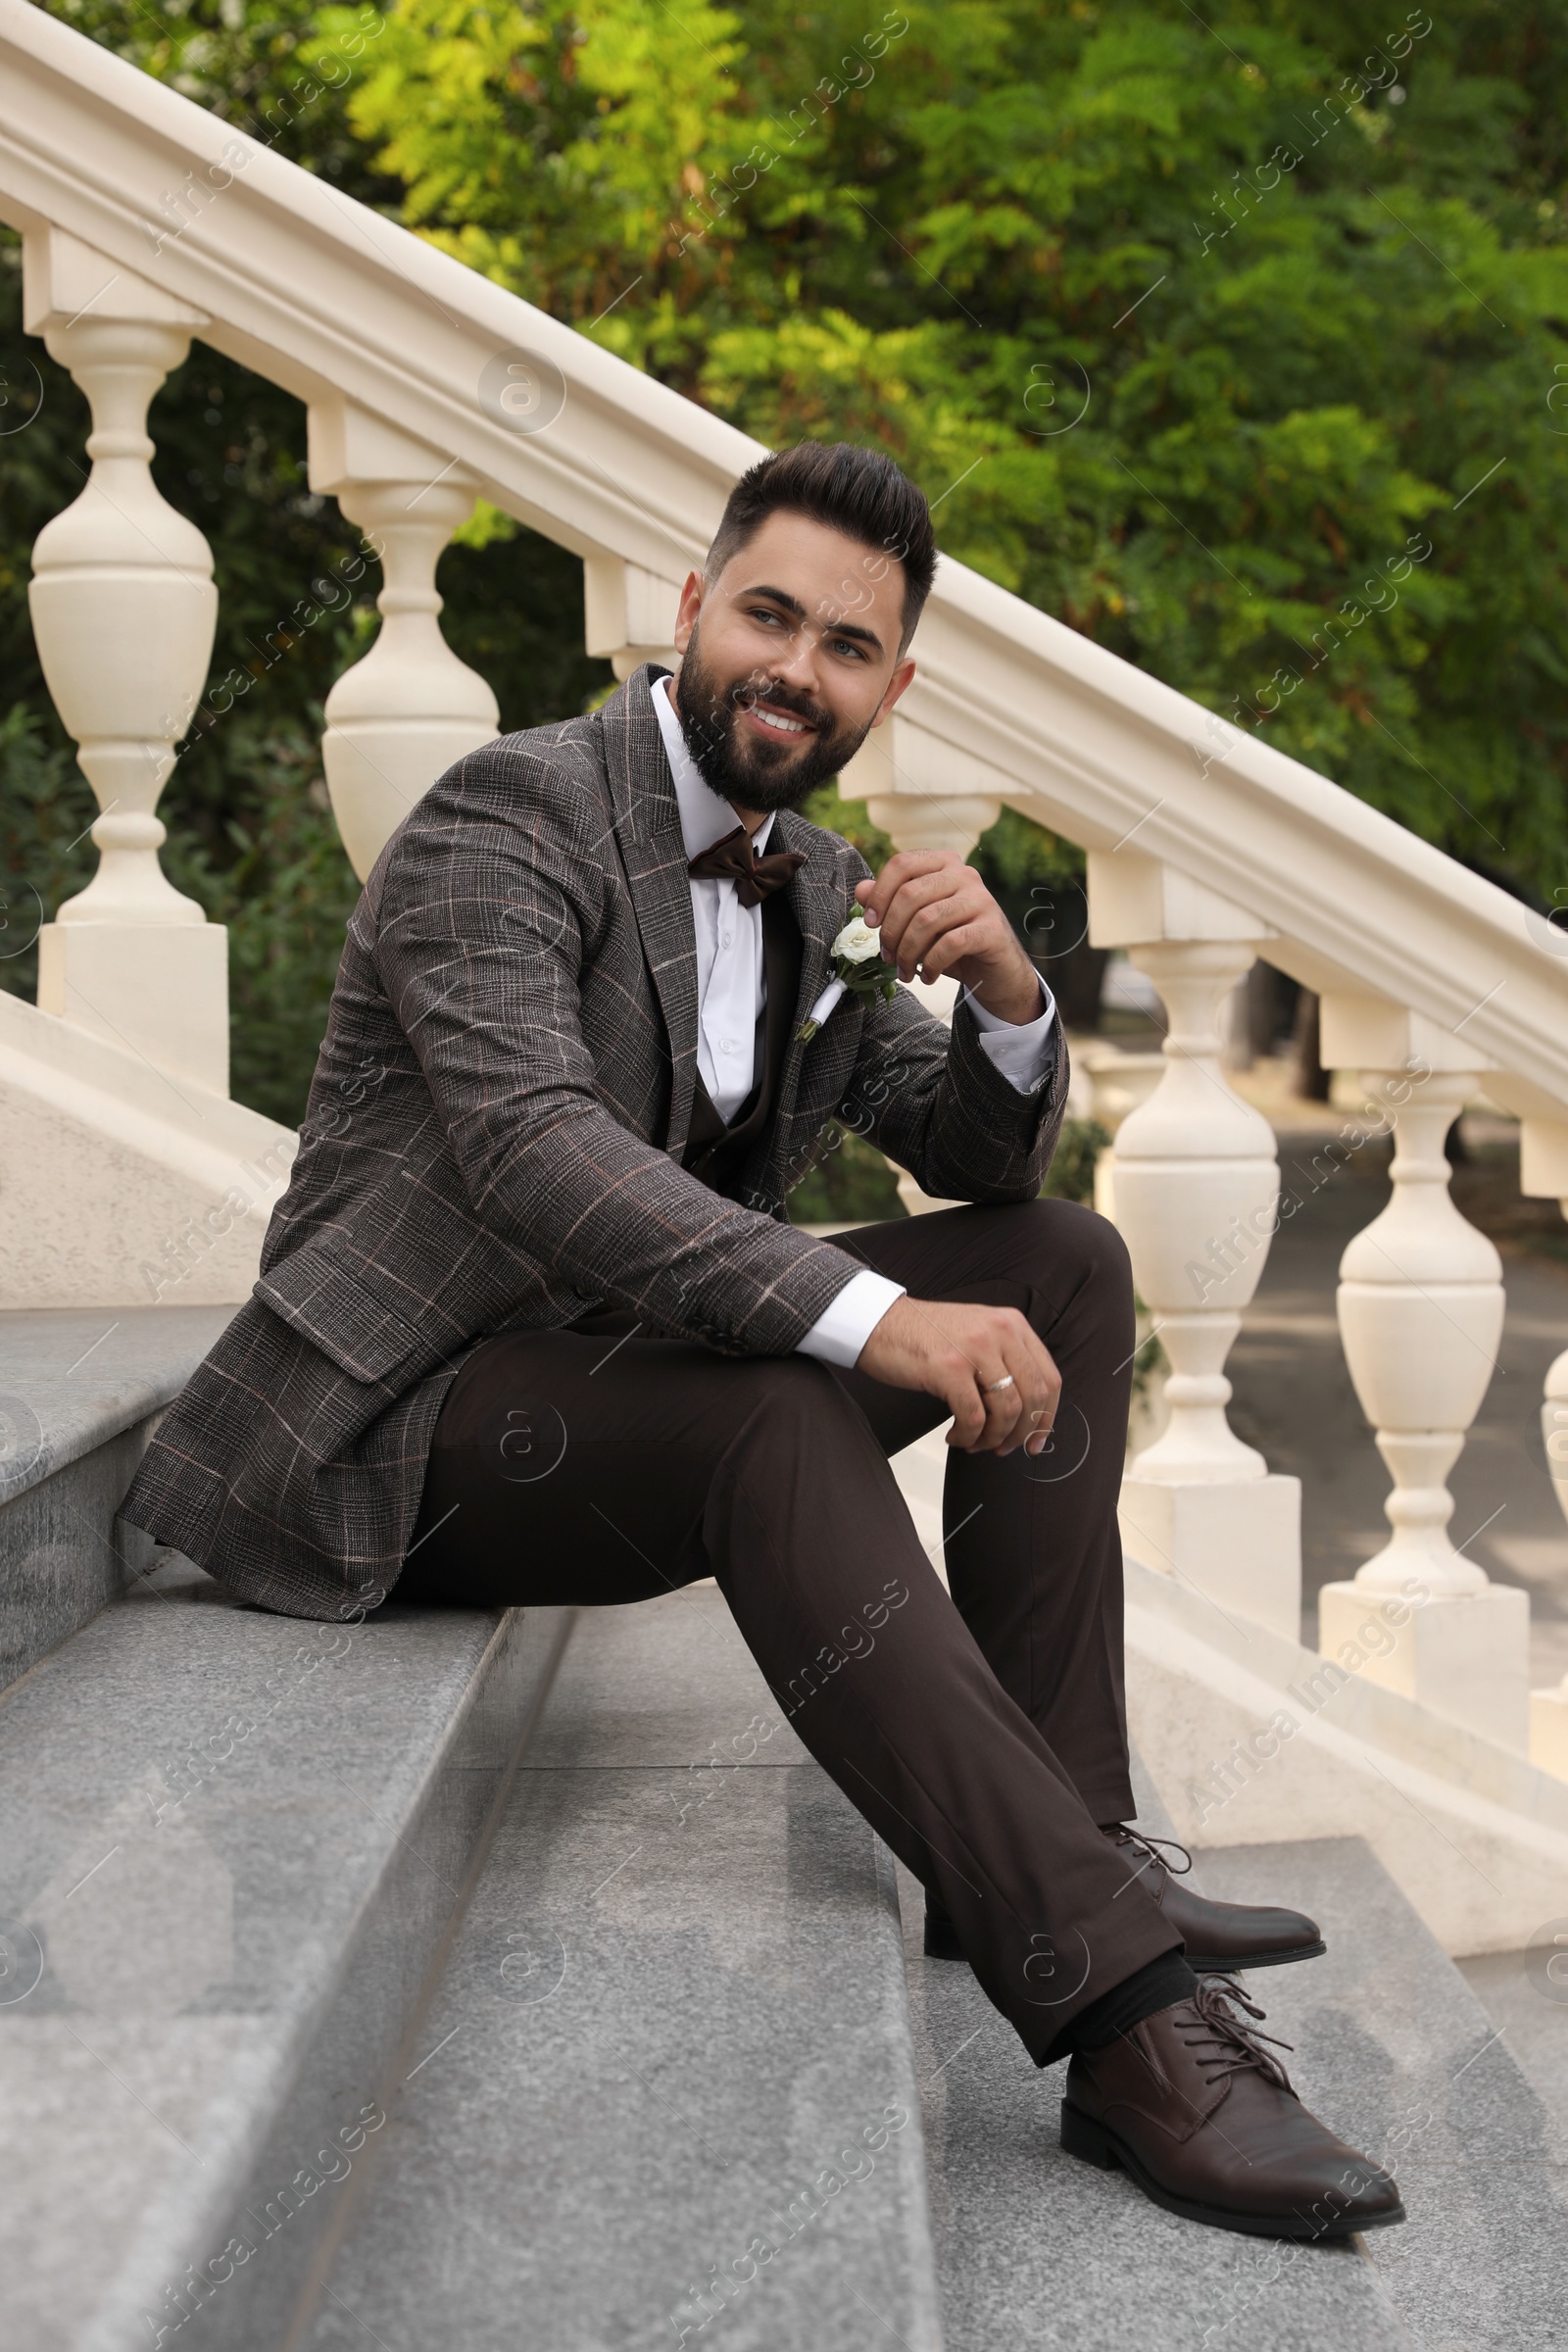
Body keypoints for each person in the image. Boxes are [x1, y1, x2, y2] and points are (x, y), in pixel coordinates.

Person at [123, 440, 1401, 2243]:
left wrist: (1012, 1003)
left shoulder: (809, 882)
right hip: (392, 1423)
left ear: (894, 685)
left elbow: (962, 1156)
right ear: (691, 609)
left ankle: (1072, 1841)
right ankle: (1132, 2033)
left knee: (1068, 1262)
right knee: (775, 1422)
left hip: (611, 1386)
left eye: (849, 645)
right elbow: (534, 1151)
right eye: (770, 614)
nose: (798, 667)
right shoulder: (510, 816)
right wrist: (875, 1321)